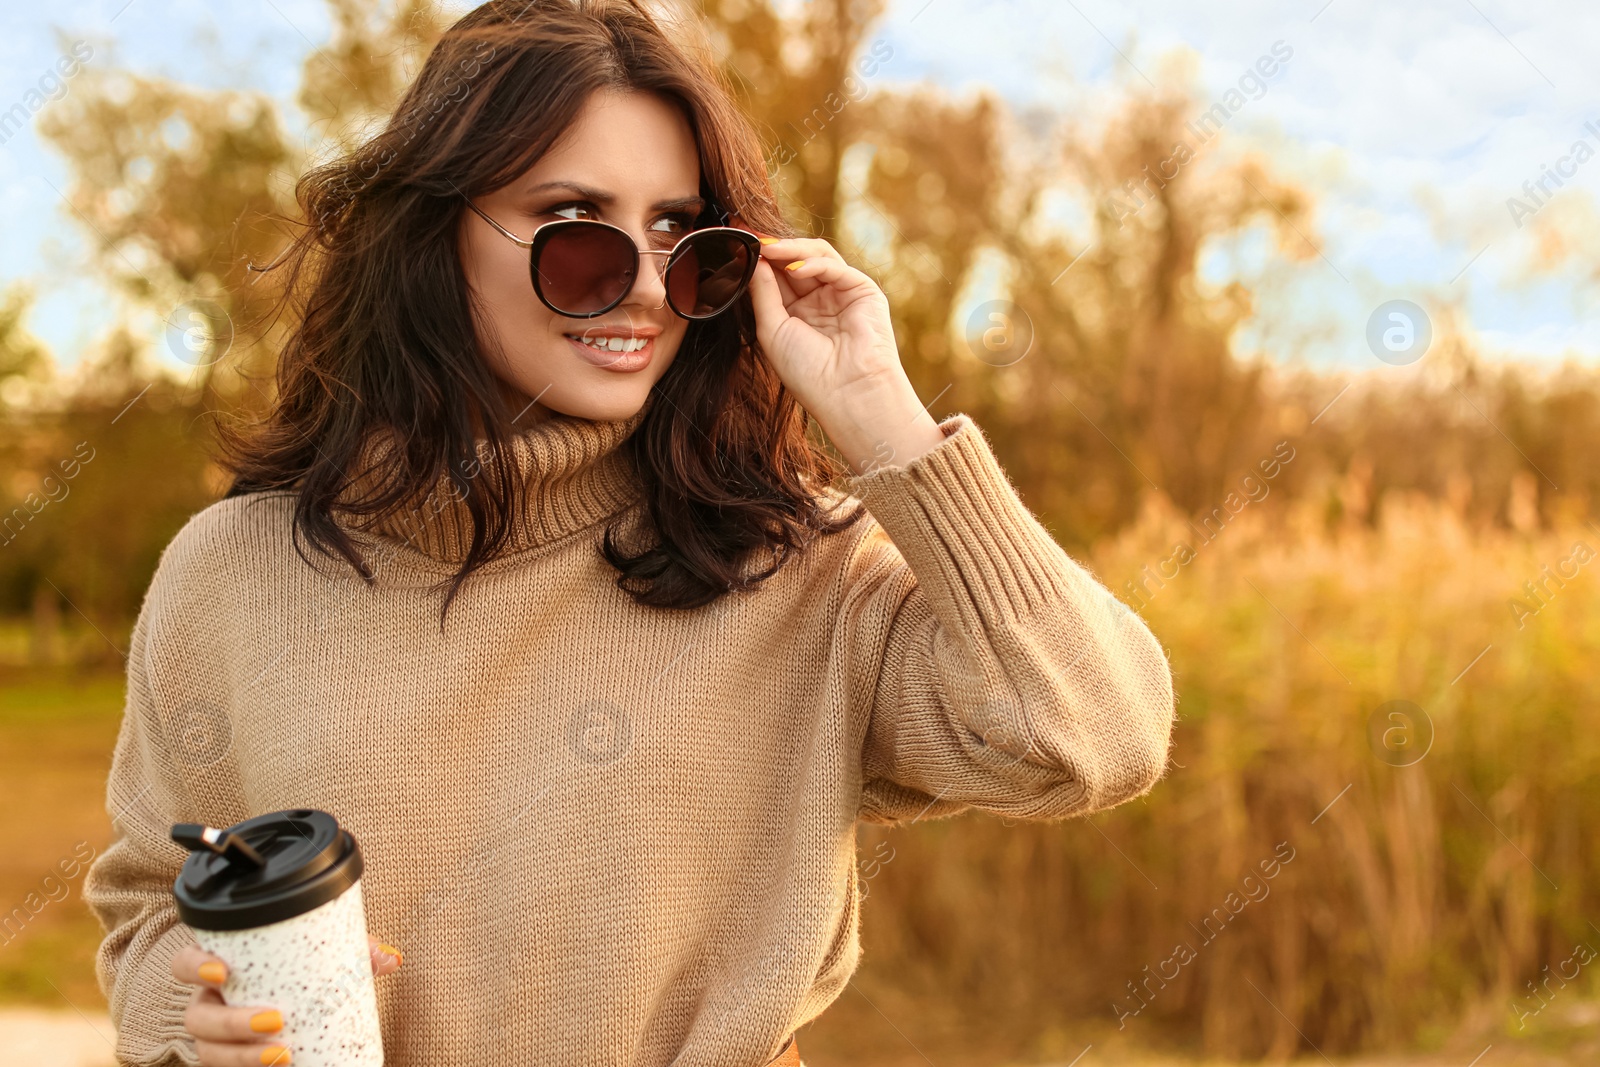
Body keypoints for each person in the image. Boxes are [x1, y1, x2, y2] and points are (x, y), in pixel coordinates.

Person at [84, 2, 1177, 1065]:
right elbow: (149, 901)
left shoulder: (789, 561)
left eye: (679, 232)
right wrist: (198, 1020)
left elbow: (1089, 732)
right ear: (435, 233)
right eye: (577, 227)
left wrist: (878, 409)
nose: (646, 288)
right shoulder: (233, 571)